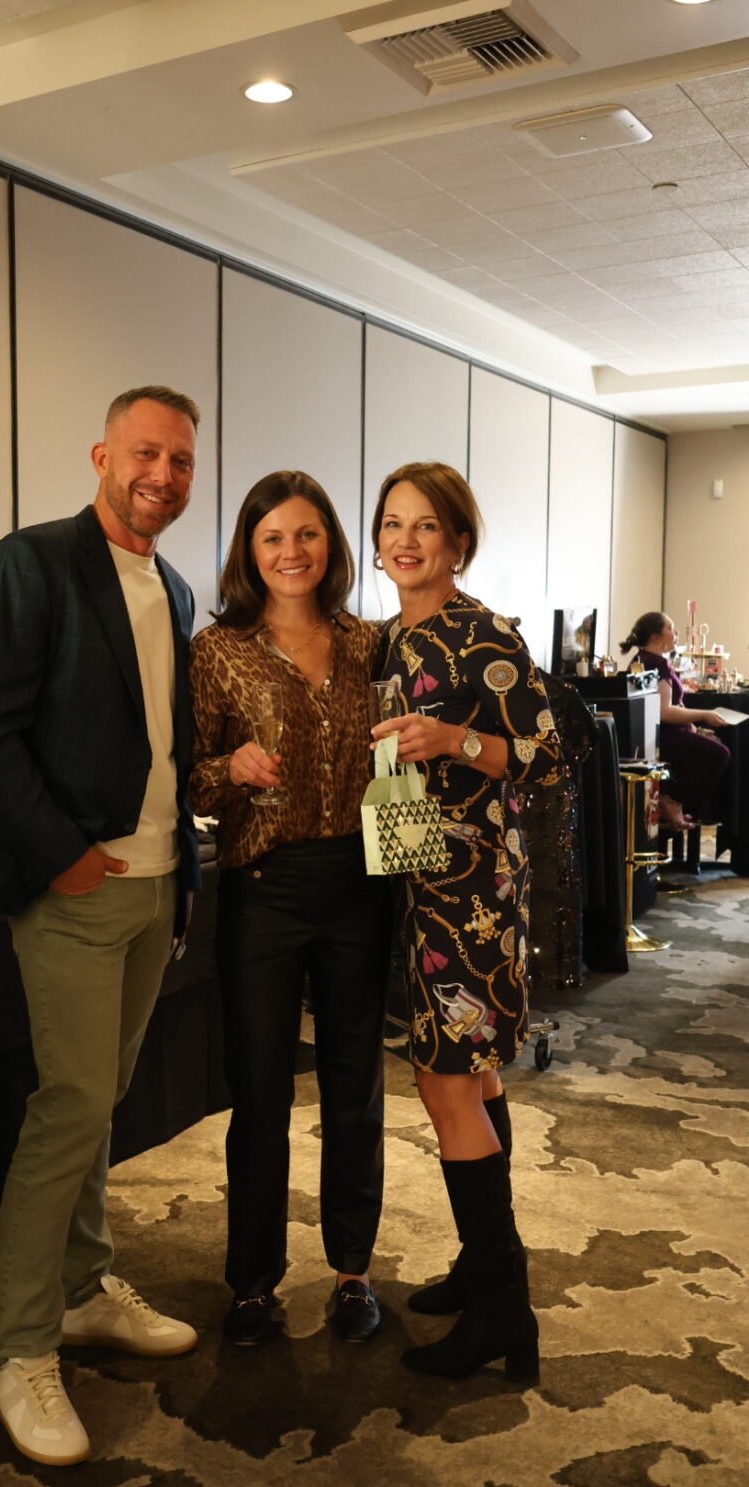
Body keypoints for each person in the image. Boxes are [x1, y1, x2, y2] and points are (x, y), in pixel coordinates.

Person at [0, 386, 203, 1467]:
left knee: (99, 1100)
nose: (162, 475)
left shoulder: (175, 586)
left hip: (156, 884)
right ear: (103, 455)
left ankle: (81, 1287)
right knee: (69, 1108)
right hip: (76, 888)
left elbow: (165, 736)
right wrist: (61, 851)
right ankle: (17, 1349)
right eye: (146, 452)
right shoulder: (33, 560)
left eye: (181, 461)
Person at [189, 471, 391, 1347]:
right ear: (249, 549)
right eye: (272, 536)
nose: (290, 552)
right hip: (263, 889)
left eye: (306, 534)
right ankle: (251, 1284)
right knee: (260, 1091)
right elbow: (188, 775)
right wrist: (228, 768)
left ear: (330, 545)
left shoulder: (370, 643)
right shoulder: (217, 650)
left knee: (353, 1085)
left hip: (358, 882)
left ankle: (352, 1272)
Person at [369, 461, 561, 1383]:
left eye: (426, 525)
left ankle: (502, 1310)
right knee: (473, 1076)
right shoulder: (388, 639)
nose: (405, 540)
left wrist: (454, 739)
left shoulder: (482, 632)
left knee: (444, 1082)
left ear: (457, 541)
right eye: (391, 523)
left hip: (472, 889)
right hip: (413, 877)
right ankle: (482, 1271)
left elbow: (547, 754)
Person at [620, 611, 730, 831]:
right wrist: (703, 715)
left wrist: (692, 724)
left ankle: (674, 803)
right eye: (670, 628)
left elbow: (672, 705)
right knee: (719, 754)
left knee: (713, 744)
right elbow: (664, 711)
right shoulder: (655, 663)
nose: (676, 632)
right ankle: (672, 800)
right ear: (655, 636)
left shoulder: (643, 659)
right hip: (662, 736)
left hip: (660, 732)